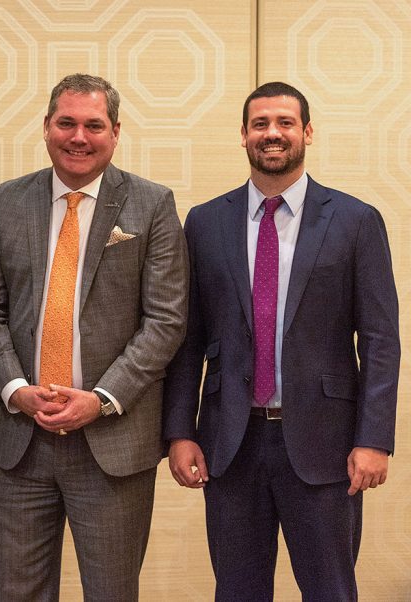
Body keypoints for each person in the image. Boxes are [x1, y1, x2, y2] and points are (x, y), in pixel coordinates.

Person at [163, 82, 400, 601]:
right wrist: (180, 432)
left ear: (307, 133)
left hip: (327, 446)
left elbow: (381, 340)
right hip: (230, 444)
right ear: (244, 136)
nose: (273, 133)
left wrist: (374, 439)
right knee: (238, 591)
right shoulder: (205, 222)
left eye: (285, 123)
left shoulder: (356, 220)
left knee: (330, 591)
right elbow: (186, 339)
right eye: (260, 124)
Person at [0, 73, 188, 601]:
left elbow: (165, 319)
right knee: (17, 592)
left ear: (115, 132)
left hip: (112, 444)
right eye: (66, 122)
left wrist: (102, 399)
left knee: (112, 592)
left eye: (94, 125)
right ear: (46, 128)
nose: (78, 136)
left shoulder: (151, 204)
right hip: (19, 442)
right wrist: (14, 388)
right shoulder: (6, 202)